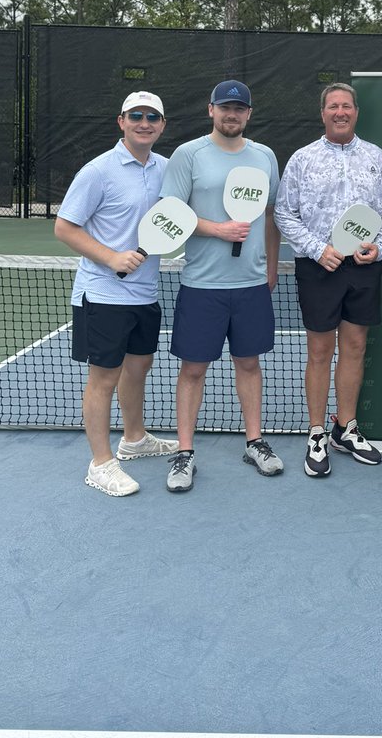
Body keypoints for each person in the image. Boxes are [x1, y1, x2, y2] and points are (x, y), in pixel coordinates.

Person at [274, 82, 382, 478]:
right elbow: (284, 213)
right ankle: (316, 433)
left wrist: (379, 246)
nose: (340, 112)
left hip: (364, 267)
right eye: (333, 107)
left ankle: (345, 428)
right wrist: (317, 249)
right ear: (323, 113)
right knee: (318, 351)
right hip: (319, 267)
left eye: (347, 106)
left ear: (356, 112)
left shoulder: (376, 157)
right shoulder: (302, 159)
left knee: (356, 346)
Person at [55, 90, 178, 497]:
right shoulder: (98, 171)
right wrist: (111, 258)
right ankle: (101, 463)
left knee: (137, 370)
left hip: (145, 294)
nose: (145, 123)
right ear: (121, 121)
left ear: (162, 125)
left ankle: (135, 438)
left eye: (153, 117)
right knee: (102, 379)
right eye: (136, 116)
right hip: (104, 294)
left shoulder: (166, 168)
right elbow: (66, 227)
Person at [162, 79, 282, 492]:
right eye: (225, 107)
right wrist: (217, 229)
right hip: (202, 284)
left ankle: (255, 441)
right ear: (210, 109)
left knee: (249, 363)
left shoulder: (265, 156)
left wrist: (271, 264)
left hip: (250, 285)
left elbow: (270, 216)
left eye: (240, 108)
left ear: (249, 114)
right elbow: (171, 212)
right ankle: (184, 453)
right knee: (193, 369)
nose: (232, 114)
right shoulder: (188, 155)